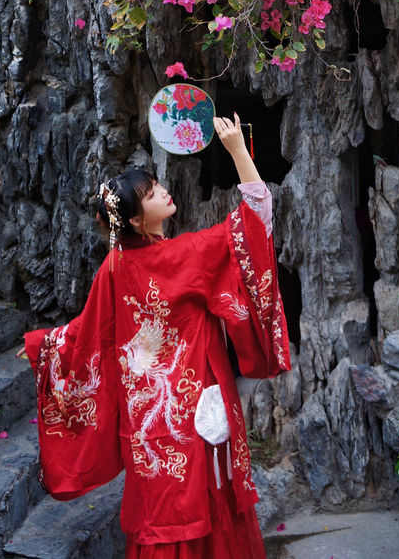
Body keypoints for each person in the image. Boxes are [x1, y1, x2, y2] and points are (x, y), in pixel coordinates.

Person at [20, 112, 291, 559]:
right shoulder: (186, 255)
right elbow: (255, 219)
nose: (162, 191)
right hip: (194, 410)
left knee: (164, 515)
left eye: (154, 186)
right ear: (136, 221)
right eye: (149, 193)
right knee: (205, 507)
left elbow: (85, 335)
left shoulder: (117, 267)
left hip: (148, 424)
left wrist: (42, 345)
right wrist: (238, 151)